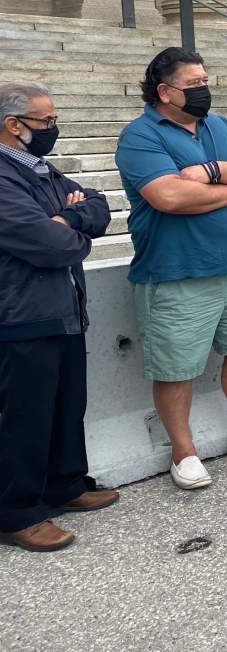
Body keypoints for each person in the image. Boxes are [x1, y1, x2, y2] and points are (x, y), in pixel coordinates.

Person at [115, 48, 227, 491]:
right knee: (175, 369)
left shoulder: (220, 126)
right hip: (174, 275)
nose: (204, 91)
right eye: (194, 85)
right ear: (165, 92)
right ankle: (183, 452)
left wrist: (211, 170)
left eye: (205, 82)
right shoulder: (140, 135)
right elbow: (169, 198)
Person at [0, 82, 115, 552]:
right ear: (13, 125)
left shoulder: (40, 170)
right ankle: (18, 512)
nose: (53, 129)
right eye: (45, 122)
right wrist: (70, 227)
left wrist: (71, 218)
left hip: (64, 309)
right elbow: (50, 247)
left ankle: (65, 484)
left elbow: (99, 205)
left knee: (66, 405)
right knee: (23, 416)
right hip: (22, 314)